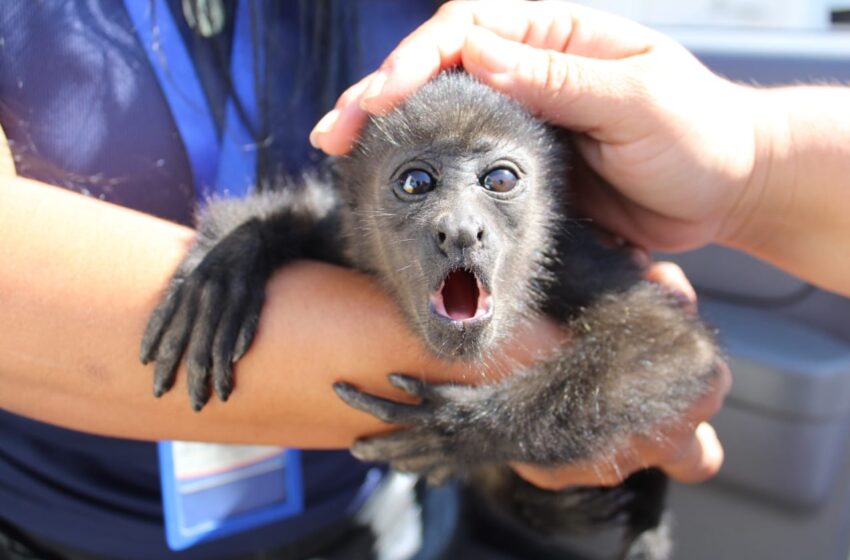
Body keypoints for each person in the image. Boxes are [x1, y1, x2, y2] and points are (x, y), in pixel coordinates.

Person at [13, 0, 847, 557]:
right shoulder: (345, 211)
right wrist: (235, 251)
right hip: (56, 525)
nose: (458, 222)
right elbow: (301, 210)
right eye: (416, 185)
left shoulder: (557, 231)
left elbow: (675, 357)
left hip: (375, 528)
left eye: (500, 184)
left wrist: (503, 422)